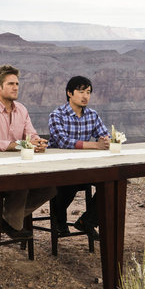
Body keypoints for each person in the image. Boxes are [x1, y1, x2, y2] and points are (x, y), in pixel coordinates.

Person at [0, 64, 55, 238]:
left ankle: (6, 218)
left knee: (50, 187)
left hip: (16, 166)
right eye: (10, 84)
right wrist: (20, 145)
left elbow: (31, 135)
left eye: (17, 84)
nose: (15, 87)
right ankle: (11, 222)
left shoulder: (22, 109)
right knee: (22, 181)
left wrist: (37, 142)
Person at [48, 75, 110, 237]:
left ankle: (87, 221)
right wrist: (96, 145)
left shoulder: (92, 115)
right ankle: (59, 220)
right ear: (69, 93)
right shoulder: (57, 115)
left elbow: (104, 135)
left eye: (88, 92)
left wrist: (106, 141)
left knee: (110, 183)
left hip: (83, 167)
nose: (85, 96)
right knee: (69, 185)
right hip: (59, 168)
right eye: (81, 91)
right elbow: (63, 142)